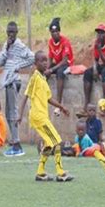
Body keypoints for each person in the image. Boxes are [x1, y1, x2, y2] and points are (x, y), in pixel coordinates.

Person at [18, 51, 74, 182]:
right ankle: (60, 172)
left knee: (50, 143)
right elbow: (26, 95)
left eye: (46, 60)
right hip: (38, 116)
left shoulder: (43, 79)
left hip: (42, 116)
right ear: (35, 63)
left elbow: (49, 98)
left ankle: (40, 172)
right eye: (41, 61)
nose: (45, 63)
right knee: (57, 140)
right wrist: (20, 114)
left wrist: (61, 107)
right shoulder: (35, 78)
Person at [0, 21, 34, 157]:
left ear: (17, 32)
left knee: (12, 111)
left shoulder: (19, 45)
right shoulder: (6, 45)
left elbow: (32, 57)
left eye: (12, 32)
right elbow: (0, 62)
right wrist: (5, 49)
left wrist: (18, 66)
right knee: (7, 112)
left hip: (14, 81)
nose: (10, 34)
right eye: (8, 32)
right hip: (7, 81)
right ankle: (14, 140)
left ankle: (17, 144)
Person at [44, 18, 74, 110]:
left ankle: (58, 102)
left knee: (60, 72)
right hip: (57, 63)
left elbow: (65, 61)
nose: (55, 33)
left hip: (67, 64)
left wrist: (52, 70)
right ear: (50, 33)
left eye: (57, 31)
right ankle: (41, 94)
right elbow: (50, 57)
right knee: (44, 73)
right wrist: (47, 69)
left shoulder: (65, 41)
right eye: (53, 32)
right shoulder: (50, 42)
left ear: (59, 31)